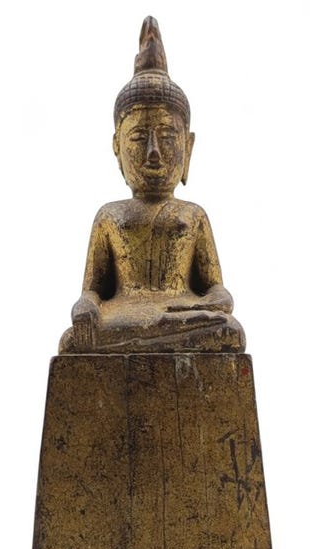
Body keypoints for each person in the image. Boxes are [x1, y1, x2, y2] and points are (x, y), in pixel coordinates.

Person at [59, 17, 245, 354]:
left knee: (229, 330)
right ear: (117, 148)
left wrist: (212, 303)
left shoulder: (194, 215)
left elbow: (218, 291)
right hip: (122, 316)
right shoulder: (109, 216)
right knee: (73, 340)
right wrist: (84, 307)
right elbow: (91, 293)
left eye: (167, 136)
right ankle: (146, 338)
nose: (153, 151)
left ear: (188, 147)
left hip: (181, 313)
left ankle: (147, 338)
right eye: (139, 137)